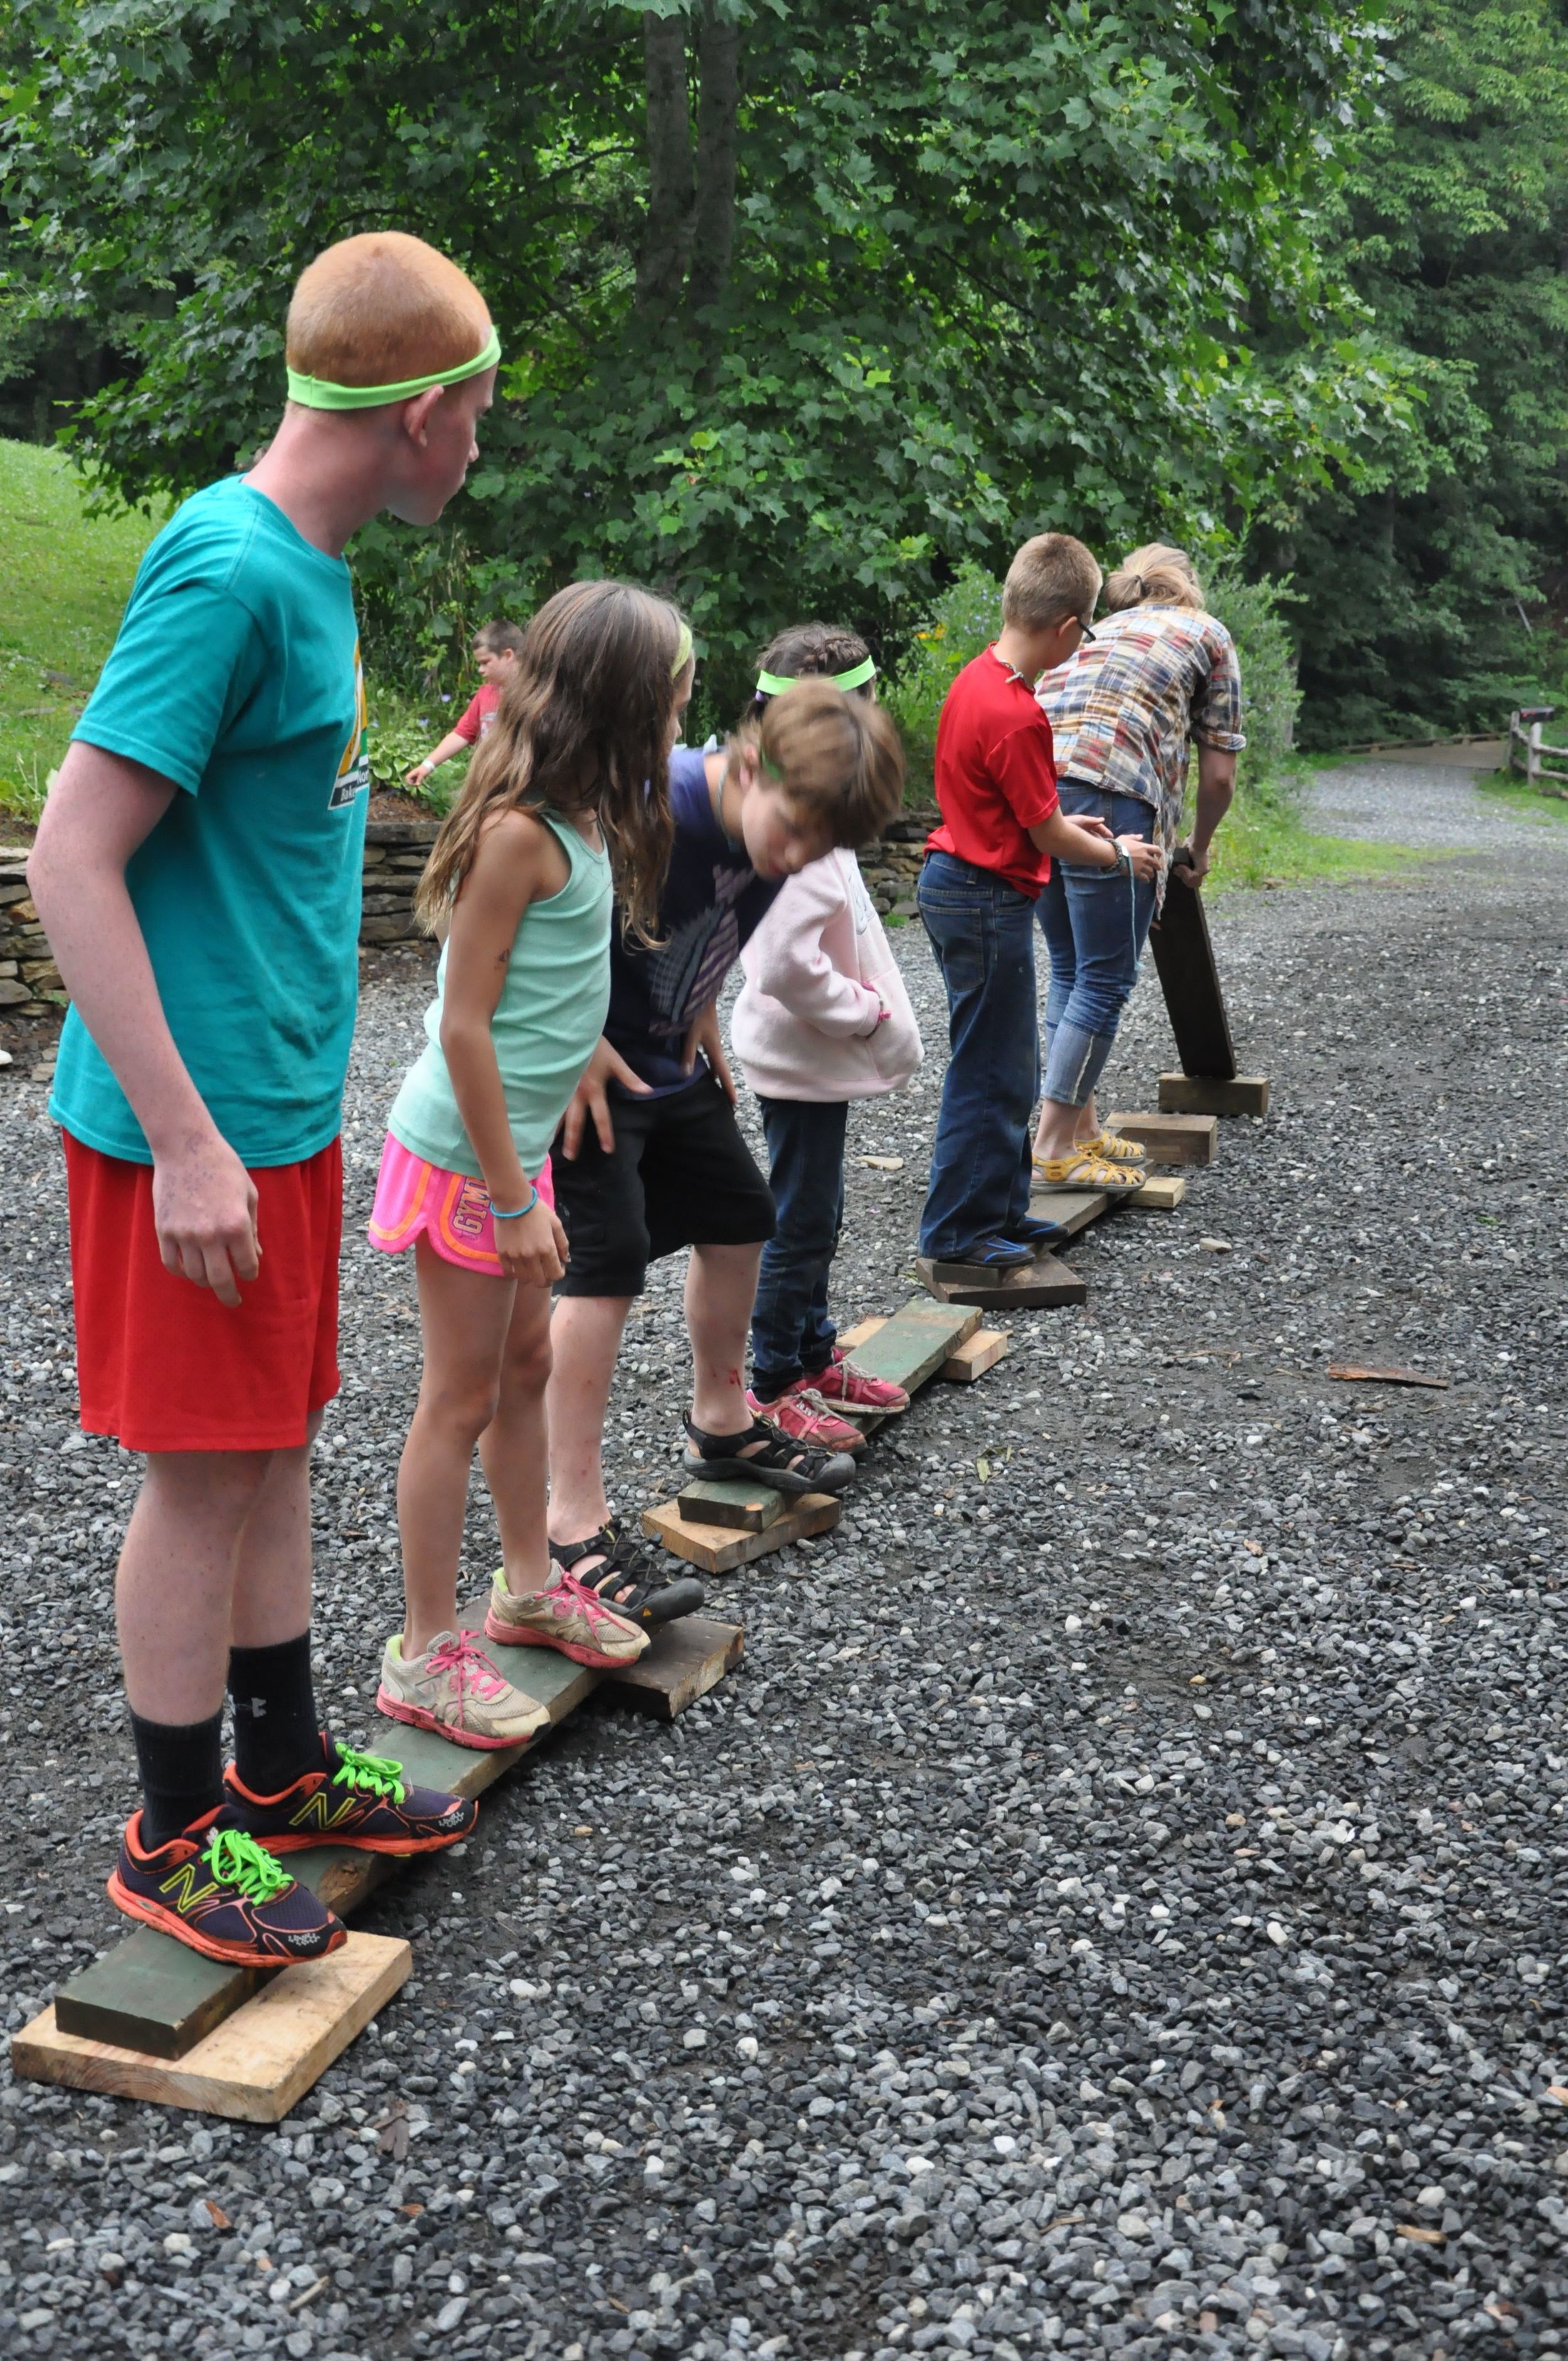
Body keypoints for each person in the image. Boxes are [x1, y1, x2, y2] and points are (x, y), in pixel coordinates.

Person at [26, 231, 495, 1968]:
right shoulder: (227, 570)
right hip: (195, 1131)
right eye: (484, 413)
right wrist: (190, 1140)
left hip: (278, 1113)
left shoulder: (315, 561)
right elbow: (69, 860)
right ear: (427, 412)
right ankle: (173, 1823)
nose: (482, 443)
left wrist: (278, 1119)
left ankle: (284, 1761)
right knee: (203, 1477)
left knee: (273, 1443)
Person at [370, 583, 707, 1750]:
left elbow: (539, 996)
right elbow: (463, 1021)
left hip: (513, 1149)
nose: (679, 730)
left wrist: (583, 1053)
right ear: (619, 712)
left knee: (524, 1364)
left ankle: (525, 1585)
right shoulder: (519, 831)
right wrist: (513, 1196)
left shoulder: (584, 819)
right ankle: (424, 1651)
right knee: (457, 1400)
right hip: (472, 1159)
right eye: (670, 709)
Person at [545, 678, 906, 1596]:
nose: (796, 859)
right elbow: (542, 913)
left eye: (820, 849)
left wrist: (702, 1004)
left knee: (744, 1212)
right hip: (590, 1071)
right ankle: (571, 1519)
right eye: (794, 832)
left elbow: (717, 919)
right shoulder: (651, 802)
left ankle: (720, 1418)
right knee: (606, 1264)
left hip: (671, 1057)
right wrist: (572, 1038)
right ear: (750, 763)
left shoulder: (776, 837)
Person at [917, 533, 1164, 1268]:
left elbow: (1027, 812)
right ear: (1066, 630)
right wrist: (1118, 850)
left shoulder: (977, 682)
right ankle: (958, 1234)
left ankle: (997, 1210)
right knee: (991, 1071)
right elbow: (1049, 836)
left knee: (1007, 1065)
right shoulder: (1018, 715)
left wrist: (1064, 822)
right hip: (982, 898)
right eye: (1084, 630)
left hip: (962, 884)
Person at [730, 626, 923, 1451]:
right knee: (801, 1219)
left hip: (811, 1060)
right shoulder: (800, 833)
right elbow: (782, 964)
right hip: (800, 1057)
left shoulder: (805, 804)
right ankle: (774, 1381)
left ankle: (812, 1351)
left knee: (820, 1208)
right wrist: (867, 1013)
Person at [1031, 543, 1244, 1186]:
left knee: (1071, 968)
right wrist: (1199, 848)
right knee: (1103, 979)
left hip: (1037, 794)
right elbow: (1219, 777)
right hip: (1112, 795)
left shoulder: (1099, 628)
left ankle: (1083, 1130)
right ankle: (1051, 1146)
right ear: (1188, 587)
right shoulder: (1207, 633)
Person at [405, 619, 524, 792]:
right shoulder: (485, 694)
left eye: (485, 662)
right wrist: (427, 766)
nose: (480, 670)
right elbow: (462, 734)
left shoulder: (534, 694)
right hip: (490, 784)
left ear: (508, 655)